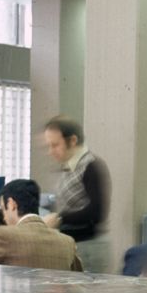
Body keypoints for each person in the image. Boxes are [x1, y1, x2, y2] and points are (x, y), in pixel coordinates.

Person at [43, 115, 111, 272]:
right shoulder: (70, 166)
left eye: (55, 145)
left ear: (72, 141)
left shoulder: (90, 166)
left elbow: (97, 212)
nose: (50, 151)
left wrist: (60, 218)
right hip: (74, 244)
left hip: (88, 248)